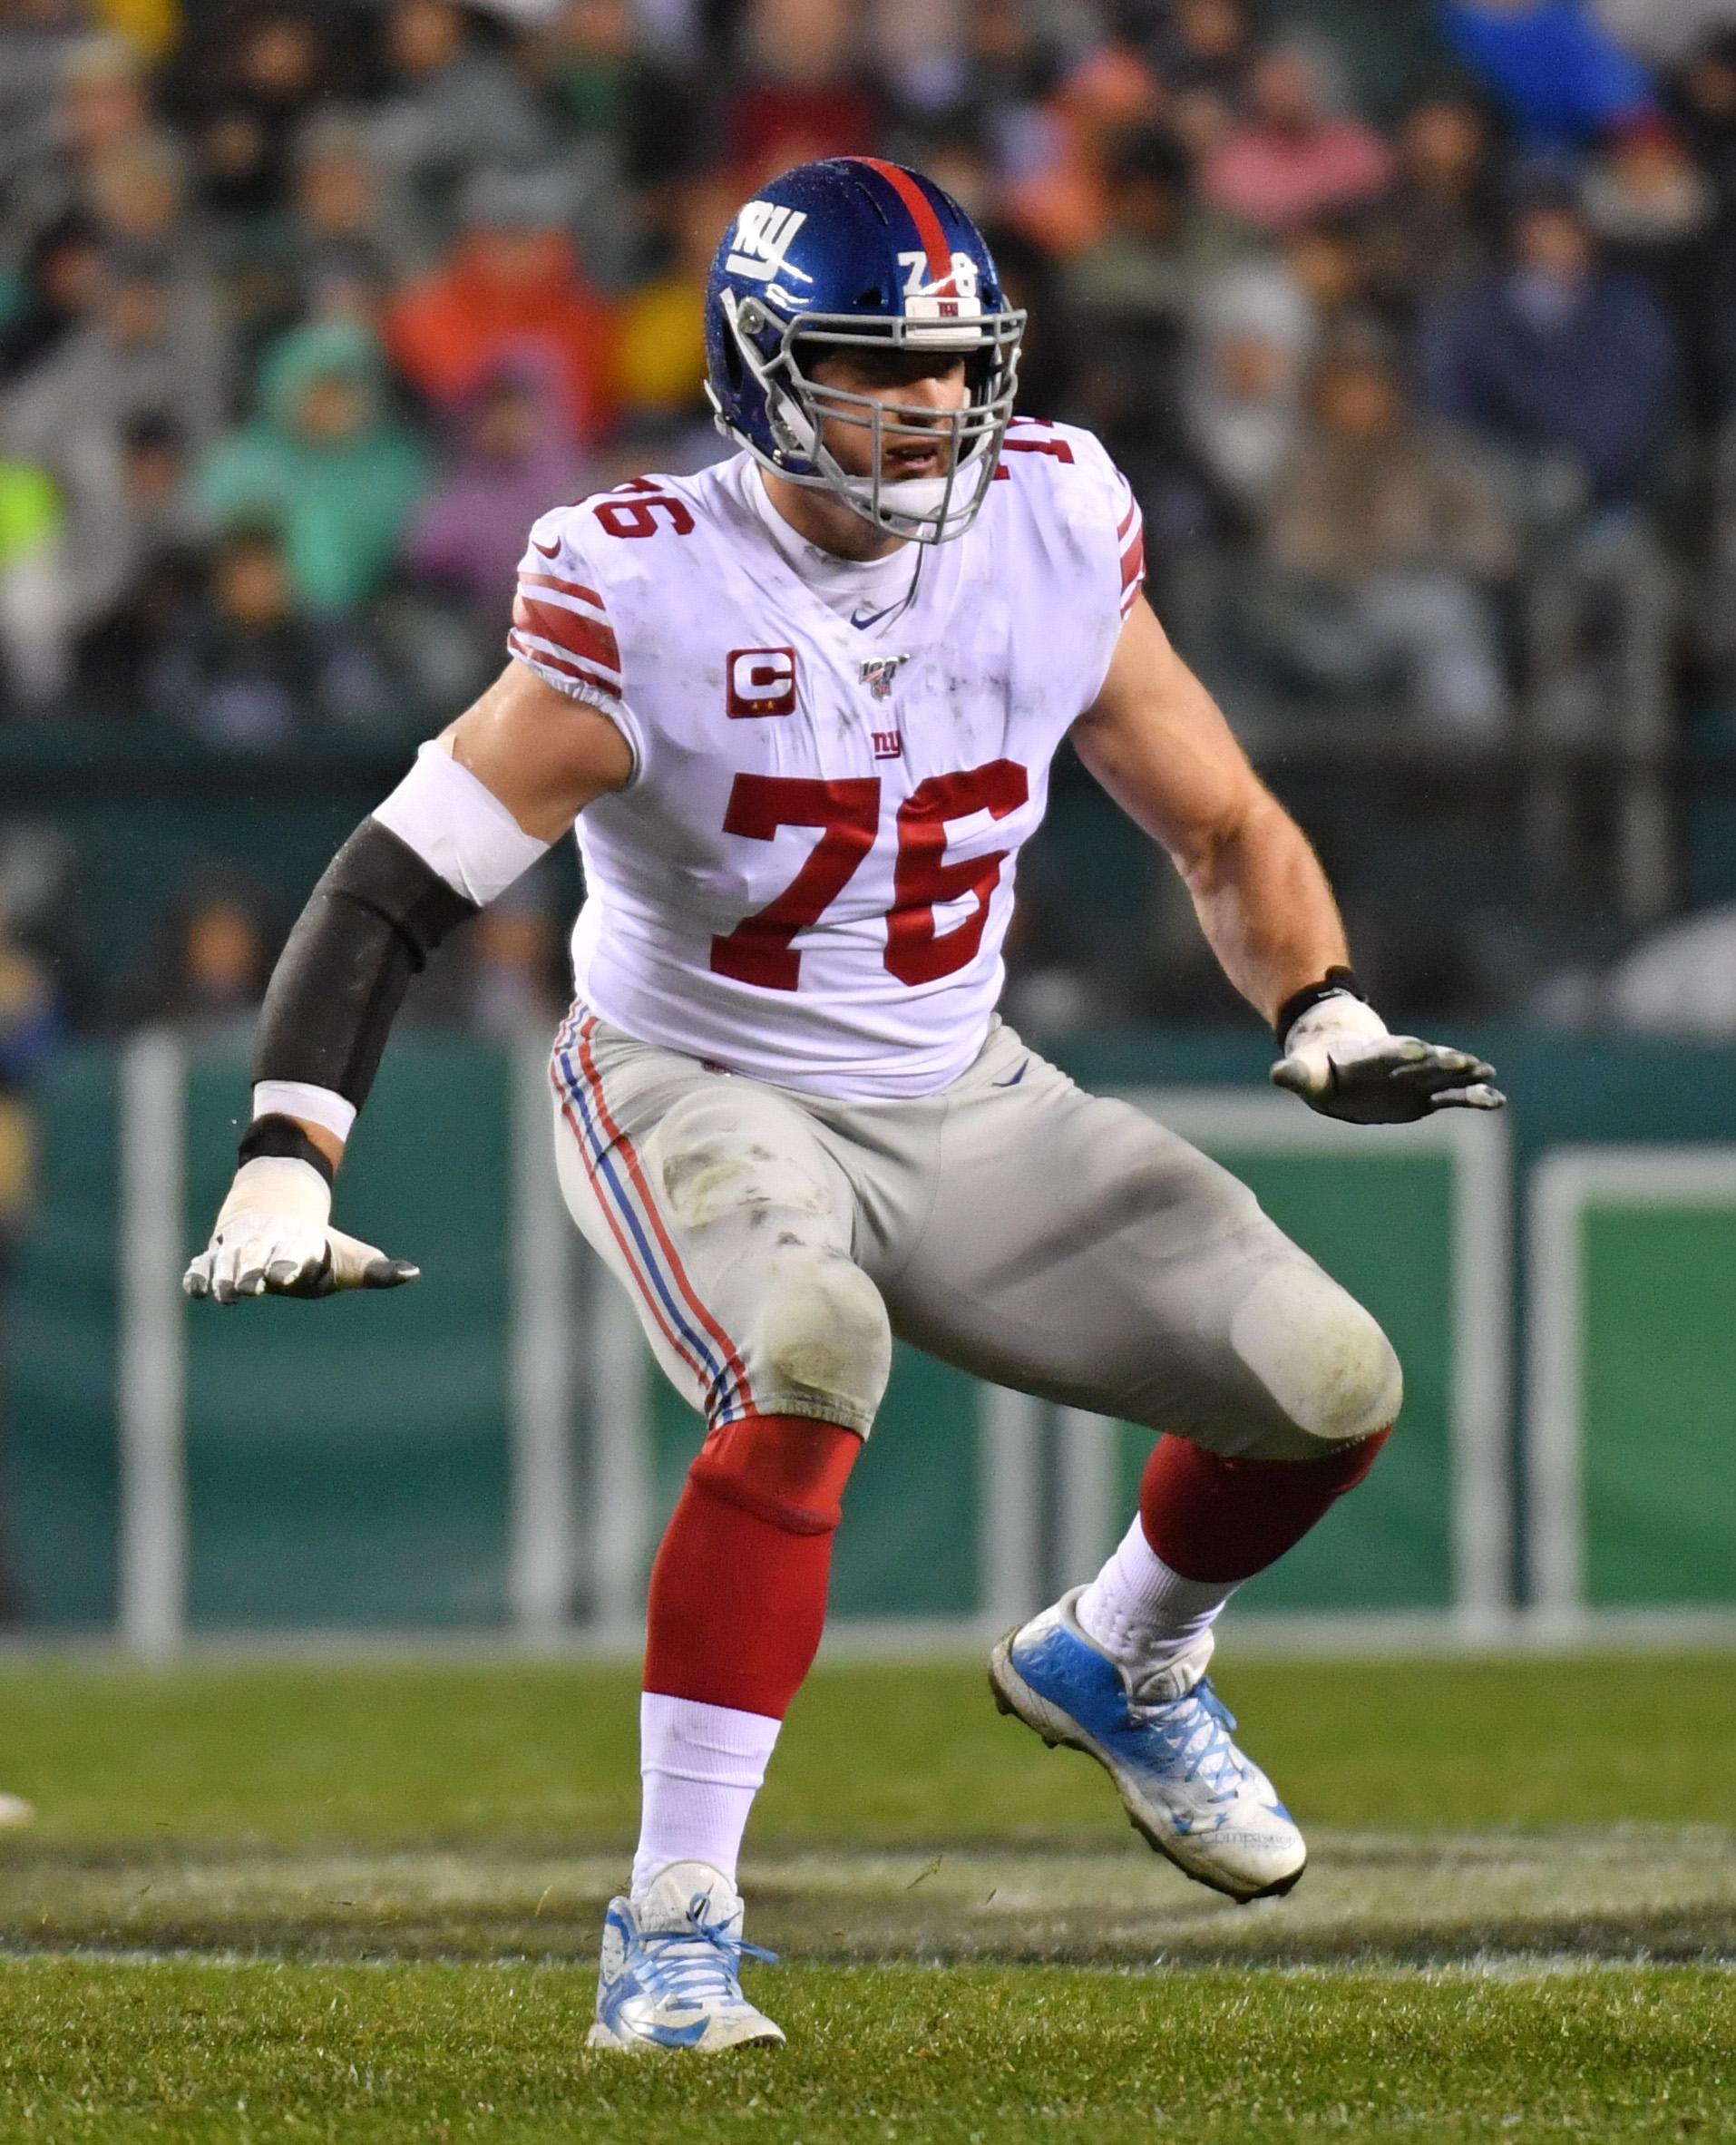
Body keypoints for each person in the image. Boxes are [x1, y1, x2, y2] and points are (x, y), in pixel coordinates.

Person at [182, 158, 1503, 2053]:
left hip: (962, 1086)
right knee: (811, 1342)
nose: (940, 408)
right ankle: (674, 1920)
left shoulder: (1051, 520)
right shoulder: (640, 578)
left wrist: (1323, 1003)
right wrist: (284, 1160)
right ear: (762, 366)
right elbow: (392, 881)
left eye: (962, 368)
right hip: (696, 1077)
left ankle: (1121, 1651)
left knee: (1331, 1381)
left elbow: (1219, 817)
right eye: (885, 368)